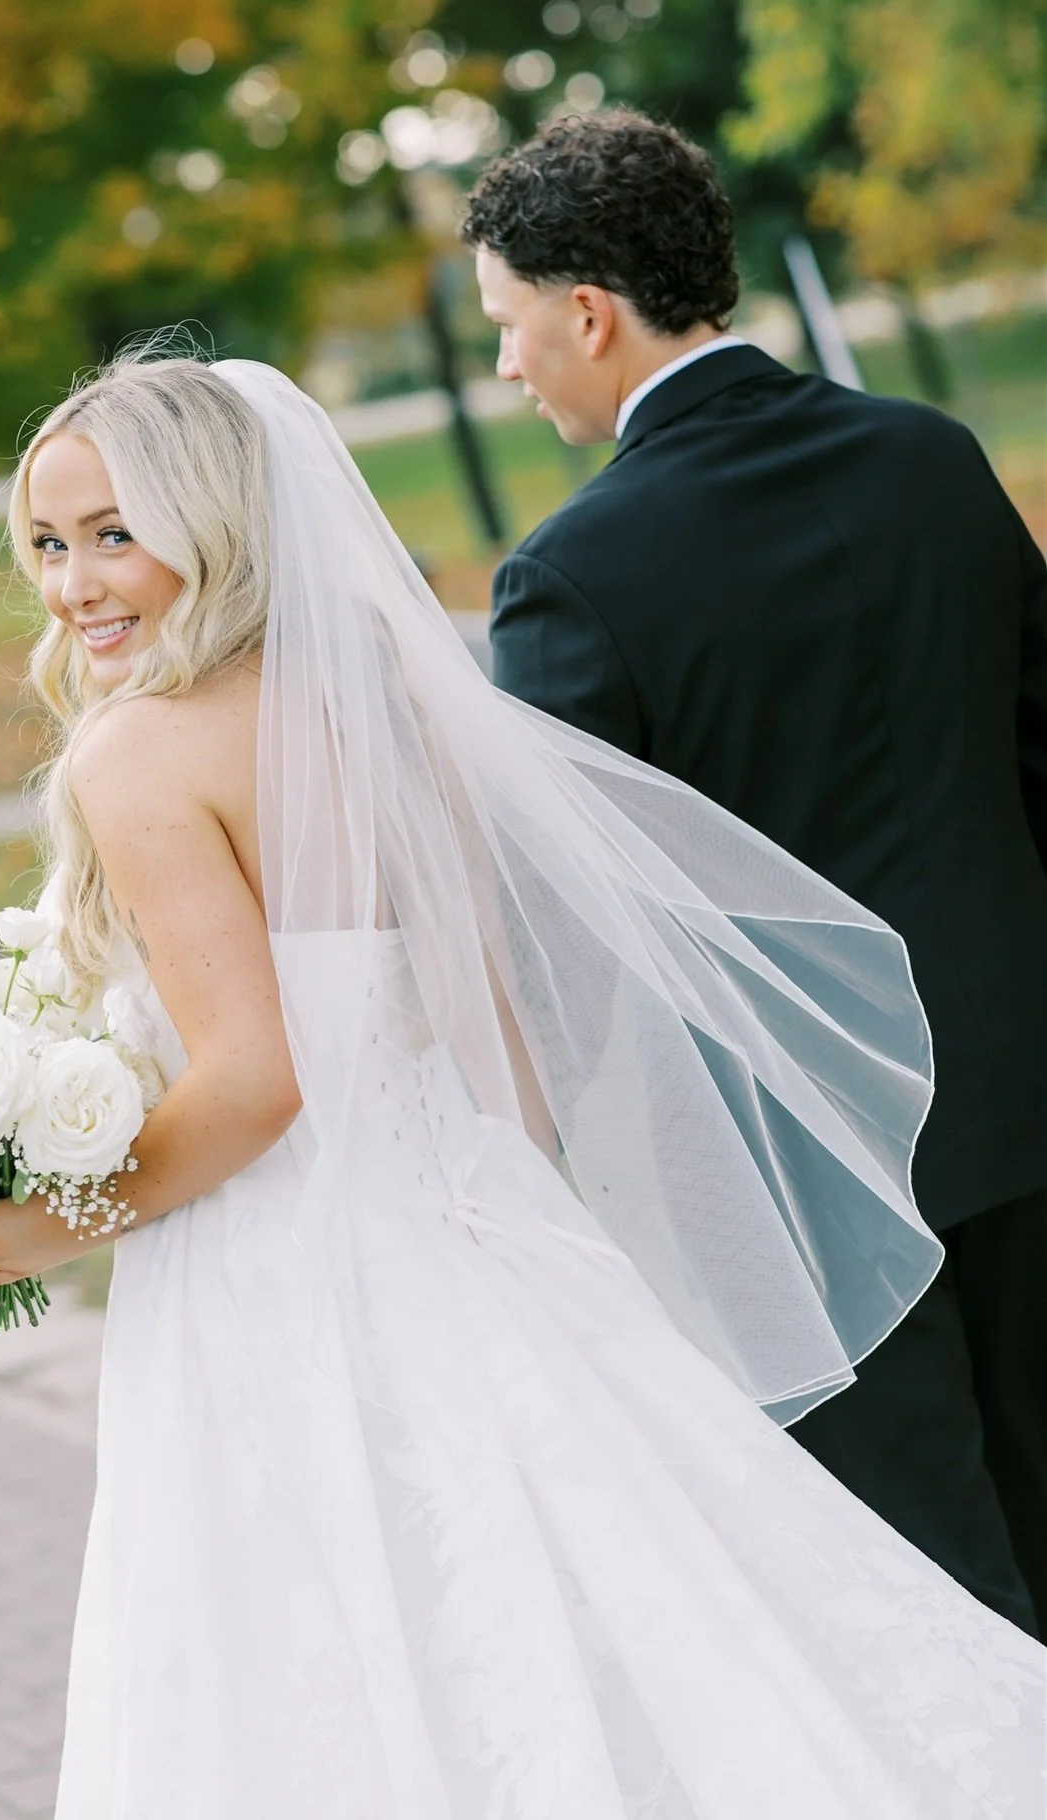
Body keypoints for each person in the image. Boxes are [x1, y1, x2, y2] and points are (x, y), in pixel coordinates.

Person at [0, 351, 1043, 1816]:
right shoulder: (381, 706)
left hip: (286, 1271)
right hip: (475, 1224)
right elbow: (497, 1037)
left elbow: (256, 1084)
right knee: (634, 1602)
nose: (74, 582)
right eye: (46, 542)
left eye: (113, 534)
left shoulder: (139, 755)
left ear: (211, 527)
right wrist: (531, 1224)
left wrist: (52, 1219)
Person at [464, 106, 1047, 1640]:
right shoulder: (931, 459)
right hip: (1035, 1094)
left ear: (587, 313)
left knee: (933, 1602)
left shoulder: (575, 576)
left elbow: (560, 926)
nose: (508, 368)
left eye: (511, 328)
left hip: (811, 1171)